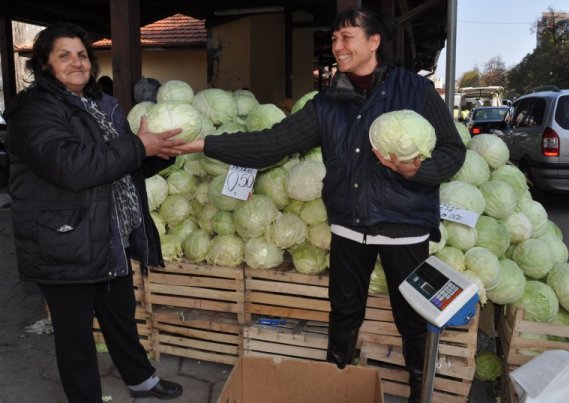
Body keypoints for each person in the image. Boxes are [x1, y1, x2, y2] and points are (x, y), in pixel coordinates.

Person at [175, 7, 466, 402]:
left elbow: (452, 152)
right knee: (344, 312)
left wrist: (417, 171)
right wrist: (203, 143)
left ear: (374, 40)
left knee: (412, 316)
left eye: (346, 37)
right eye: (334, 38)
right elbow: (272, 144)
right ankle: (338, 385)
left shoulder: (415, 91)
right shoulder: (329, 103)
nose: (337, 46)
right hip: (348, 226)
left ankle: (419, 392)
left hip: (404, 227)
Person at [3, 23, 185, 402]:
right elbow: (72, 166)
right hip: (63, 239)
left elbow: (117, 165)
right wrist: (138, 147)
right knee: (75, 337)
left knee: (120, 317)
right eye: (64, 55)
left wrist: (156, 156)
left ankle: (141, 381)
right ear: (44, 65)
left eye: (82, 55)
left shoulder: (101, 105)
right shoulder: (34, 109)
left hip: (107, 234)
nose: (77, 63)